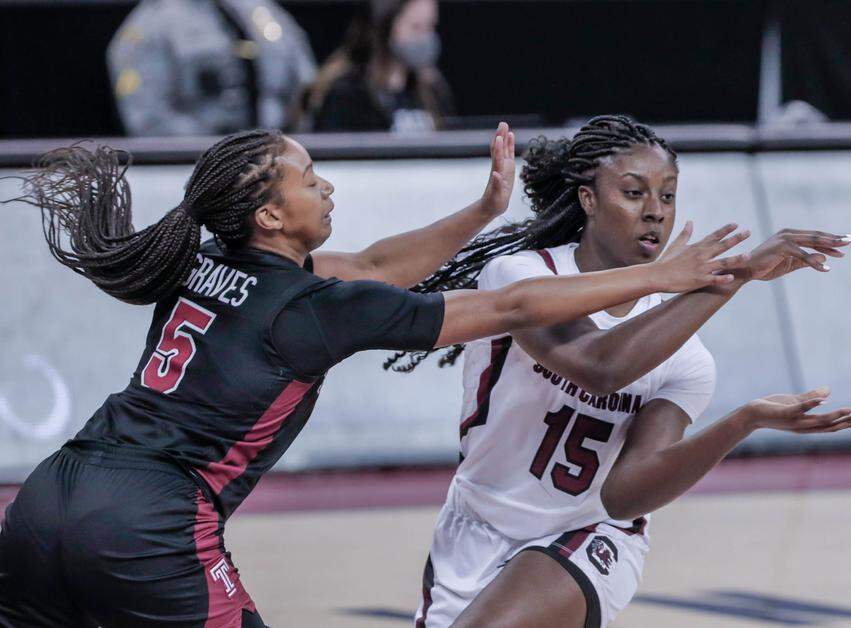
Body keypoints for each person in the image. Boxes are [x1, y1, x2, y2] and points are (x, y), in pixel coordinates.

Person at [0, 123, 747, 627]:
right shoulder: (317, 310)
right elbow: (512, 305)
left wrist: (482, 210)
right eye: (308, 179)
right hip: (149, 522)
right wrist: (669, 275)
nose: (326, 188)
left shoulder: (203, 260)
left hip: (48, 495)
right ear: (269, 217)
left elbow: (375, 264)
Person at [400, 115, 851, 628]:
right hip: (475, 524)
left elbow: (625, 496)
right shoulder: (519, 275)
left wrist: (744, 420)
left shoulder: (686, 358)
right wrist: (729, 277)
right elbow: (598, 366)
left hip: (589, 536)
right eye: (634, 192)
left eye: (667, 196)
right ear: (588, 199)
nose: (655, 212)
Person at [108, 0, 317, 136]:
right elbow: (149, 118)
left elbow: (307, 83)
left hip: (280, 156)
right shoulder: (149, 25)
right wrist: (220, 158)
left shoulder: (262, 10)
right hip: (198, 167)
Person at [305, 0, 453, 133]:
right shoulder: (346, 93)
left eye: (430, 26)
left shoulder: (431, 90)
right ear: (385, 26)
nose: (425, 38)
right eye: (416, 27)